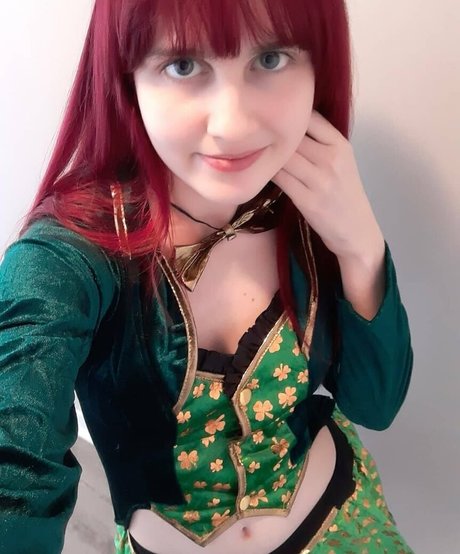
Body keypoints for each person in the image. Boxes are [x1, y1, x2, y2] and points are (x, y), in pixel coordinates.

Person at [0, 1, 414, 553]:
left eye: (271, 57)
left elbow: (375, 406)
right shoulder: (69, 257)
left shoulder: (312, 199)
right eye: (183, 65)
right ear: (128, 75)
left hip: (345, 516)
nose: (233, 125)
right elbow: (14, 461)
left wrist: (361, 247)